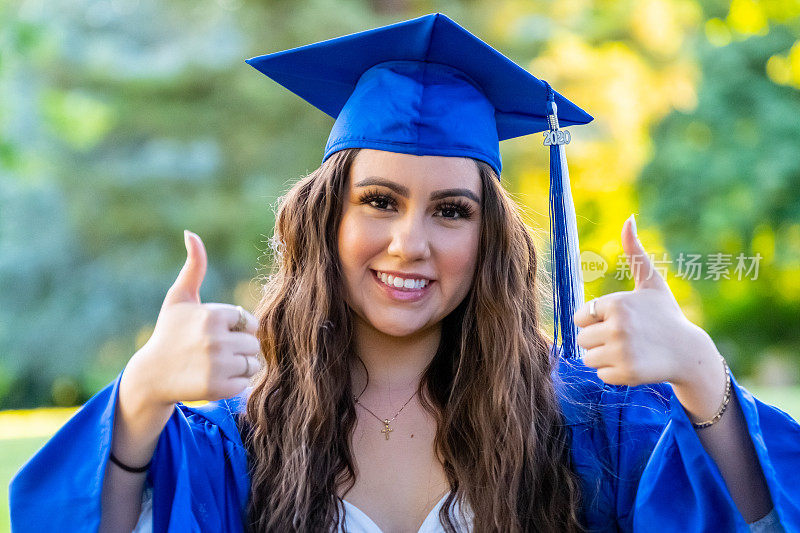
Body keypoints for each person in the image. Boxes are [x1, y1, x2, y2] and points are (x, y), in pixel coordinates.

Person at [9, 13, 799, 533]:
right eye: (379, 201)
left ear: (488, 237)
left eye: (452, 210)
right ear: (329, 219)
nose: (410, 242)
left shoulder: (584, 426)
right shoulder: (240, 432)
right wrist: (143, 394)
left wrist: (703, 377)